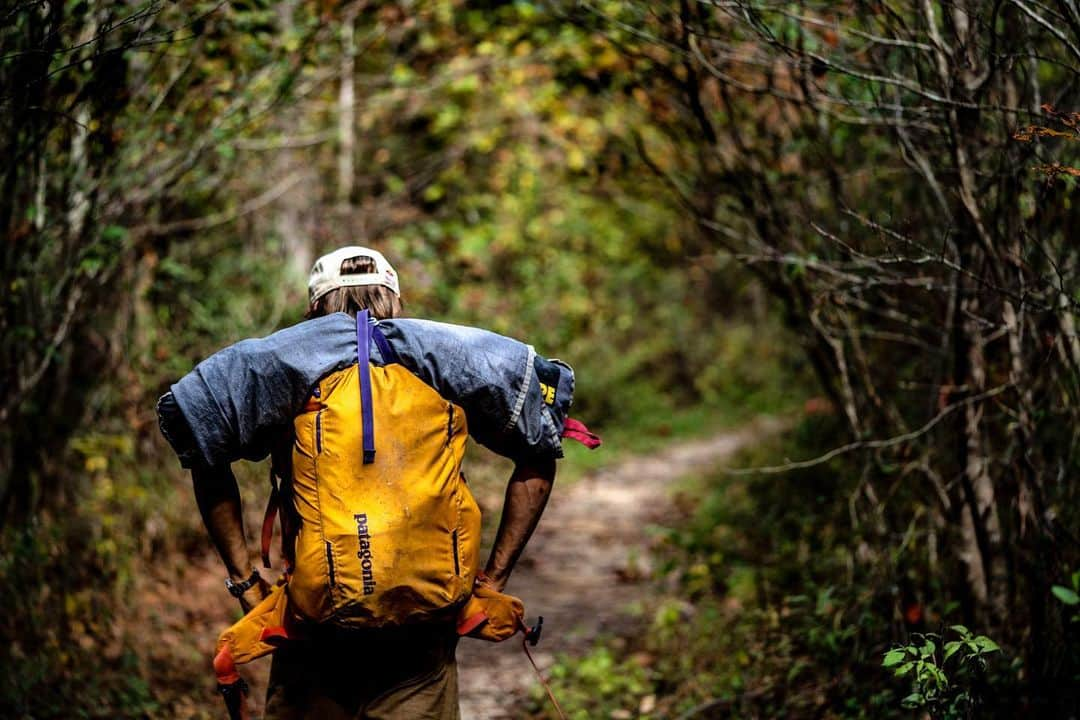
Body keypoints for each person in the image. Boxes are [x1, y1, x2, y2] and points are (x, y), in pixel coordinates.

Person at [156, 246, 597, 719]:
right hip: (424, 637)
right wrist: (494, 578)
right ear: (394, 301)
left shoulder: (287, 367)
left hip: (313, 635)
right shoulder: (445, 361)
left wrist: (245, 582)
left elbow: (202, 449)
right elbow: (539, 450)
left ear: (315, 308)